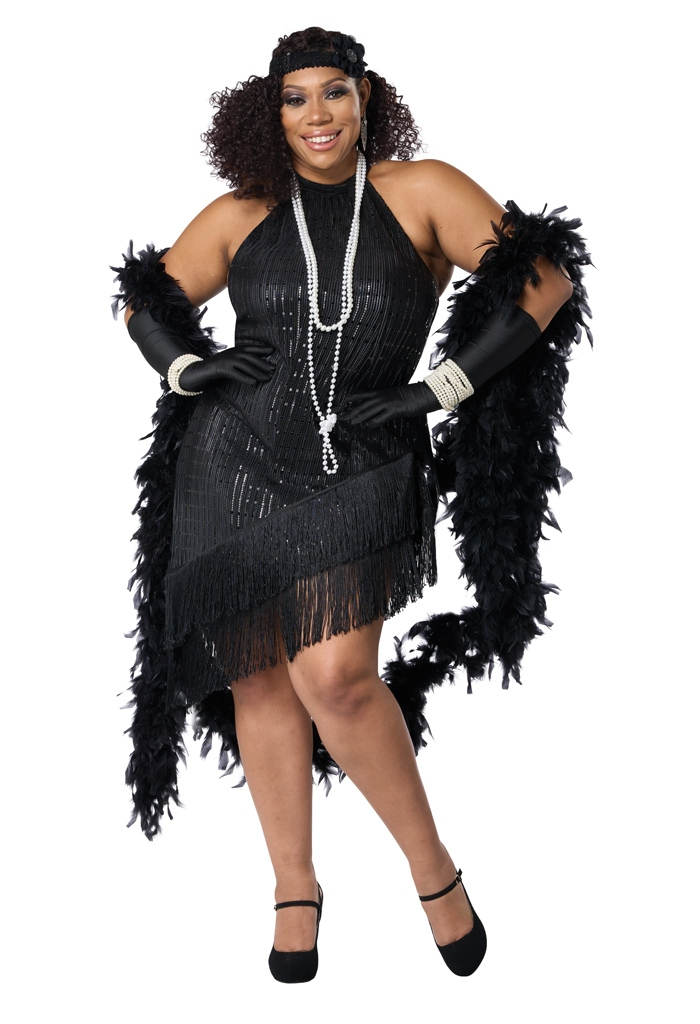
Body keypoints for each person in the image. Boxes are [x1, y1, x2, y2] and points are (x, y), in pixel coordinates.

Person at [113, 26, 591, 983]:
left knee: (334, 677)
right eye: (296, 98)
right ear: (272, 112)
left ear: (365, 95)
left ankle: (432, 867)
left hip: (366, 461)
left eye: (334, 91)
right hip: (233, 465)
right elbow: (143, 297)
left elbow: (543, 278)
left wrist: (437, 389)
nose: (317, 115)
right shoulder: (243, 211)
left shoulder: (422, 191)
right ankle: (294, 884)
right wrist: (190, 368)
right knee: (257, 676)